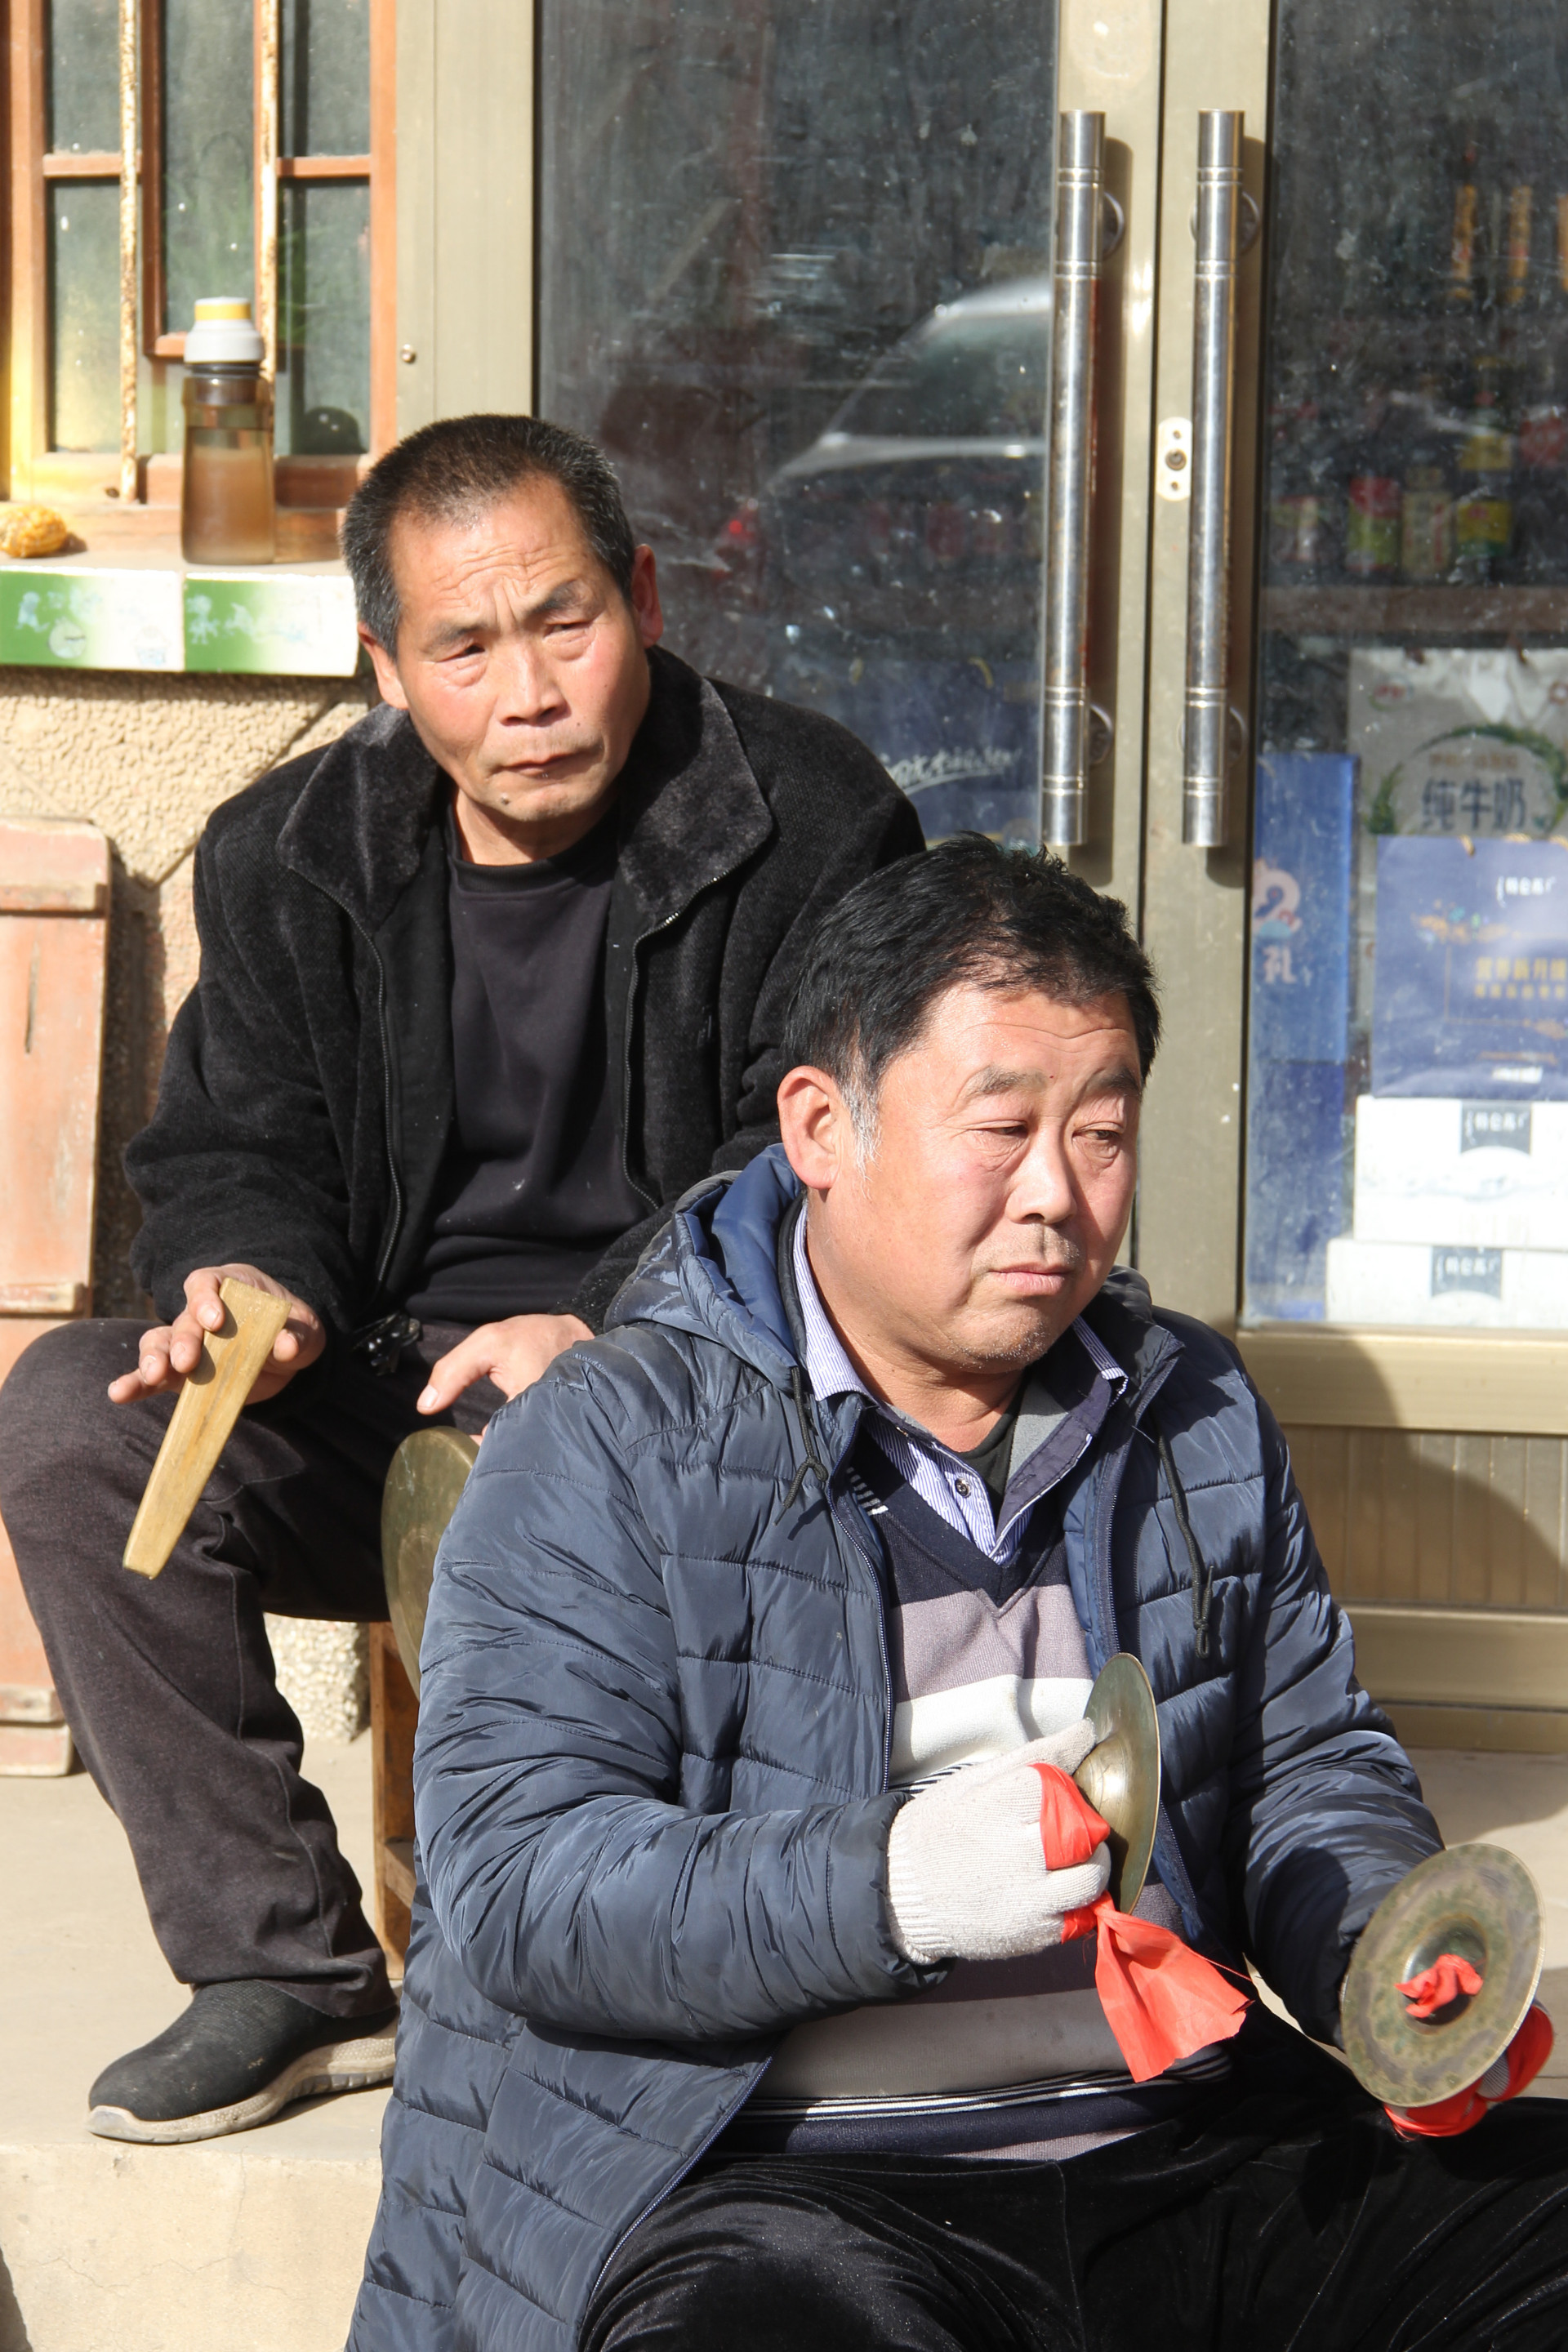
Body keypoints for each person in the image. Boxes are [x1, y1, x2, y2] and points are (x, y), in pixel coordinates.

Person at [353, 835, 1566, 2352]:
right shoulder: (610, 1439)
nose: (1056, 1194)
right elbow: (524, 1888)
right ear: (821, 1127)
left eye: (1103, 1133)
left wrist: (1383, 1953)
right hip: (790, 2181)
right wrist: (903, 1884)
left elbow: (1307, 1767)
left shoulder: (1191, 1406)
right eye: (1000, 1129)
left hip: (1185, 2141)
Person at [0, 413, 923, 2147]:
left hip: (686, 1397)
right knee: (68, 1428)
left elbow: (827, 1158)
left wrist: (619, 1324)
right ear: (387, 666)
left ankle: (588, 1977)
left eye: (566, 623)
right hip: (382, 1390)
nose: (531, 694)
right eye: (466, 648)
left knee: (571, 1449)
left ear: (644, 600)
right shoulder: (292, 851)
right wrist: (246, 1284)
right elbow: (232, 1142)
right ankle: (287, 1971)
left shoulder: (812, 821)